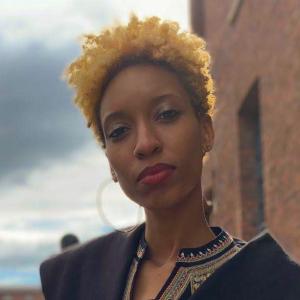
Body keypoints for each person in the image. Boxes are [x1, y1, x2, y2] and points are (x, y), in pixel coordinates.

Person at [40, 16, 300, 300]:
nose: (145, 143)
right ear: (109, 162)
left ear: (206, 131)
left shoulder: (273, 286)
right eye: (119, 131)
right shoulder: (76, 277)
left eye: (166, 114)